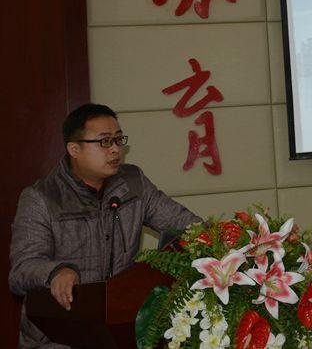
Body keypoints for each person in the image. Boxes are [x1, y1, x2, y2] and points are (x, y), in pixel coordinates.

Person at [9, 103, 203, 348]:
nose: (115, 149)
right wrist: (56, 272)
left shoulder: (133, 184)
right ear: (74, 149)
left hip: (121, 327)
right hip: (59, 334)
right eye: (104, 142)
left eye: (118, 139)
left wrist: (218, 239)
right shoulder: (41, 198)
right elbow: (22, 270)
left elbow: (188, 227)